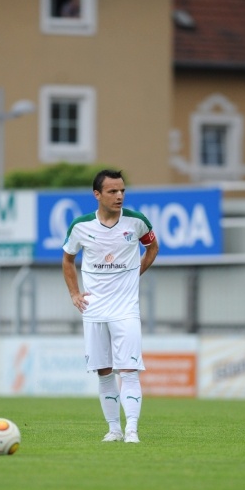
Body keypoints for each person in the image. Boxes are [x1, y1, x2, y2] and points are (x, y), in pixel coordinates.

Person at [62, 169, 159, 443]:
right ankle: (114, 429)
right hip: (93, 310)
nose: (119, 196)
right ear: (97, 194)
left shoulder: (136, 221)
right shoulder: (80, 226)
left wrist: (135, 273)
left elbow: (152, 248)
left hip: (126, 310)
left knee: (129, 370)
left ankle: (132, 430)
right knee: (104, 372)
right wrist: (74, 293)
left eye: (122, 191)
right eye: (112, 191)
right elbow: (68, 259)